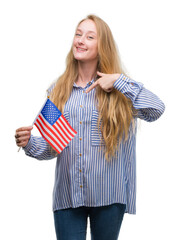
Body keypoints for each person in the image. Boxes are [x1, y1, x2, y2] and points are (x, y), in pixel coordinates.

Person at [15, 15, 165, 240]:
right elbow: (52, 146)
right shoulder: (57, 91)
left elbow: (157, 109)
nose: (80, 40)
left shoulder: (120, 91)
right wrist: (29, 143)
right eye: (78, 34)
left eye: (89, 36)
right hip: (68, 197)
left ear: (102, 45)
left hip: (109, 196)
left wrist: (119, 81)